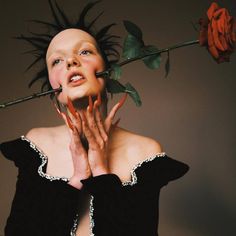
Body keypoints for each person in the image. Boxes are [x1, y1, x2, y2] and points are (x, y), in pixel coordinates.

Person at [0, 1, 189, 235]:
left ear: (107, 70)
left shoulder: (145, 151)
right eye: (56, 61)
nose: (70, 61)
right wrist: (78, 177)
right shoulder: (36, 143)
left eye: (85, 51)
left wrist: (100, 170)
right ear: (52, 85)